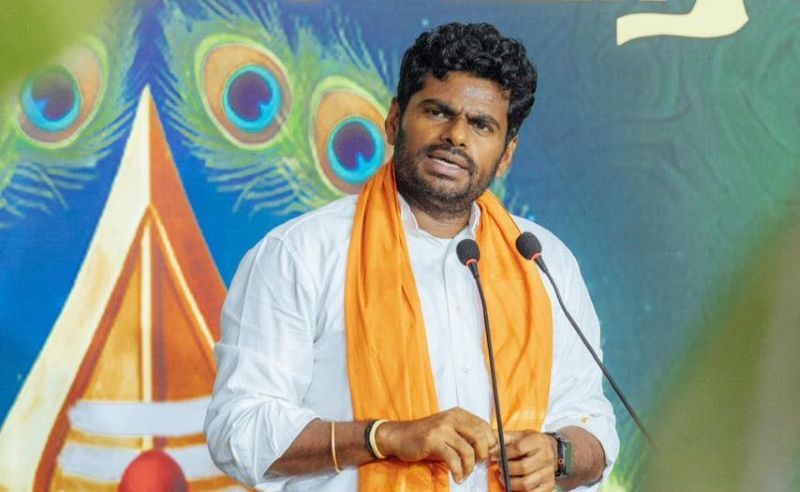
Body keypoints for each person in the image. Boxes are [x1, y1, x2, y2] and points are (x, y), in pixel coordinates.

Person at [205, 22, 619, 492]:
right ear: (393, 119)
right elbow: (238, 430)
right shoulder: (300, 254)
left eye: (481, 125)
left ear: (506, 155)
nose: (456, 136)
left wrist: (558, 454)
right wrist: (384, 437)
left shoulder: (542, 260)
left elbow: (592, 424)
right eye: (438, 112)